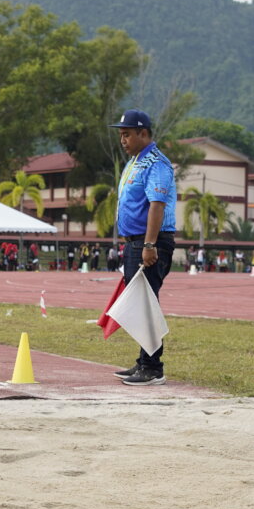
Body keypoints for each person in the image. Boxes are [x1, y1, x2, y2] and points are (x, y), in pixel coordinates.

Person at [109, 109, 176, 386]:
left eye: (127, 134)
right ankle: (143, 361)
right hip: (135, 242)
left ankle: (152, 367)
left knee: (147, 303)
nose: (122, 140)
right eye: (121, 135)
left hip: (150, 242)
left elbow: (156, 206)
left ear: (144, 133)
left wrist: (149, 244)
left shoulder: (156, 163)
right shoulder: (135, 162)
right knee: (140, 303)